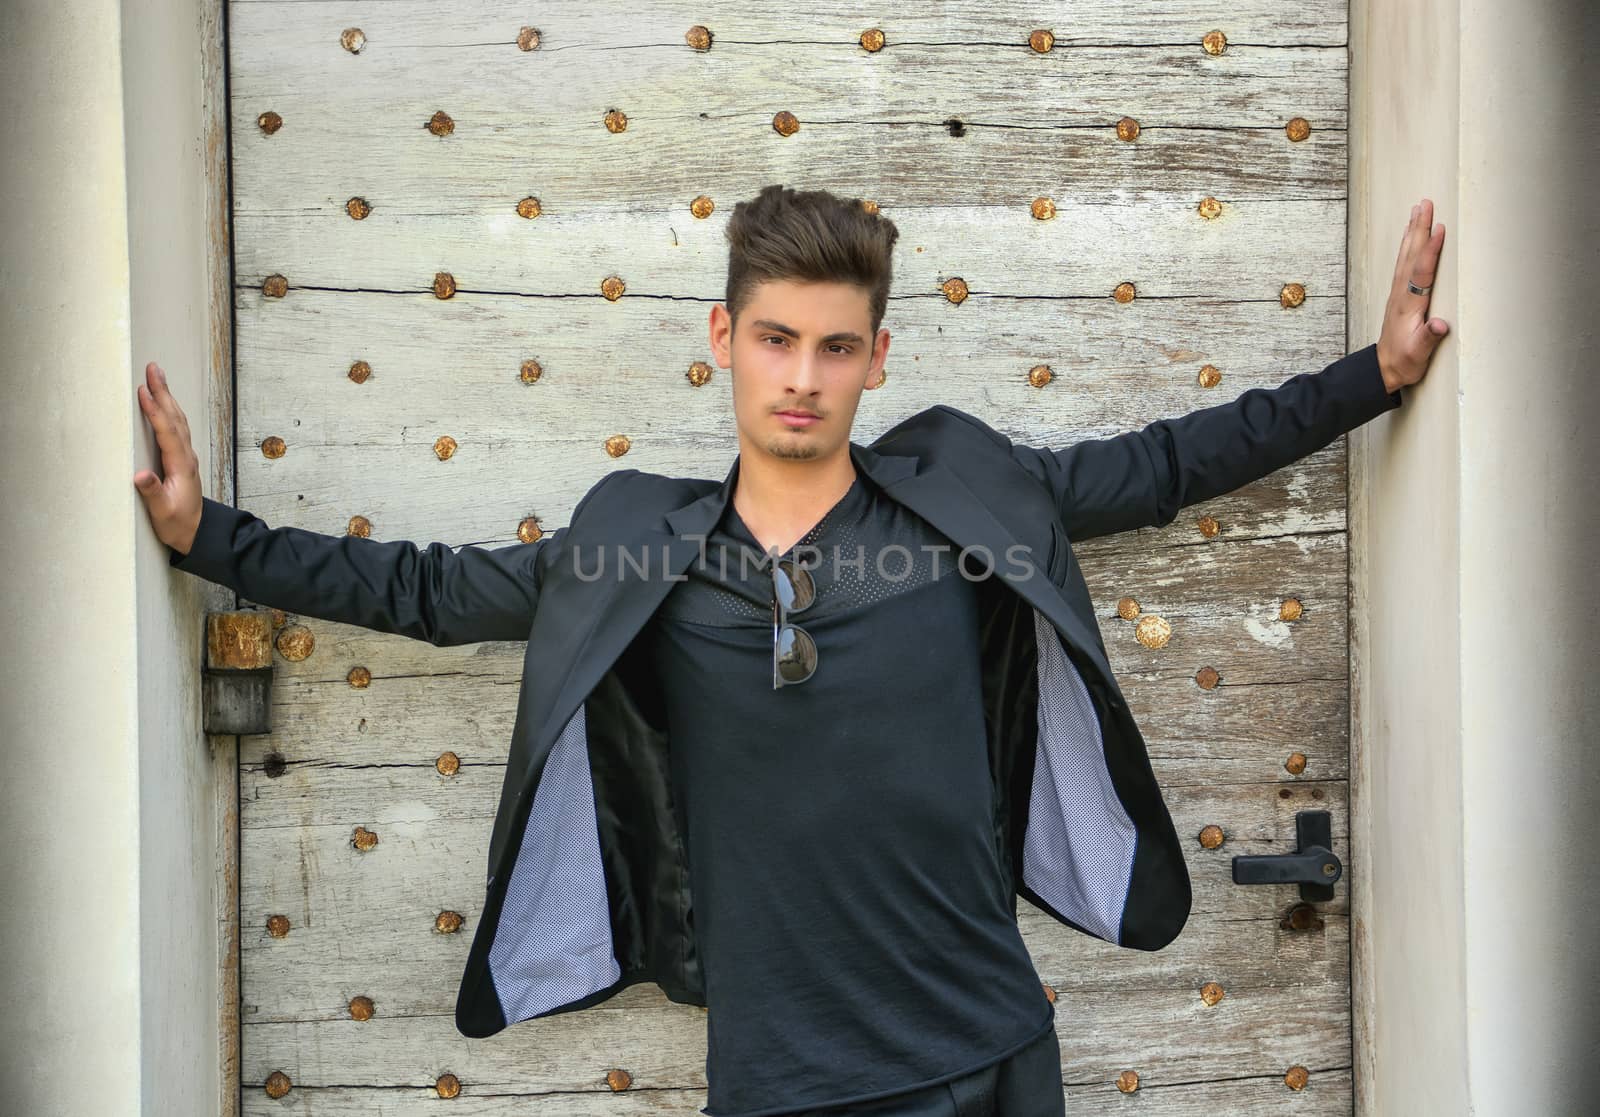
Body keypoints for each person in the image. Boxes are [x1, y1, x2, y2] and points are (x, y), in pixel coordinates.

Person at [134, 186, 1449, 1117]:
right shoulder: (639, 548)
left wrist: (1374, 378)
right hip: (787, 1084)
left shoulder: (962, 504)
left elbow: (1169, 461)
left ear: (878, 356)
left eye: (834, 346)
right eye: (776, 338)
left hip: (997, 1051)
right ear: (725, 340)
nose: (803, 376)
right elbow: (422, 586)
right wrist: (208, 537)